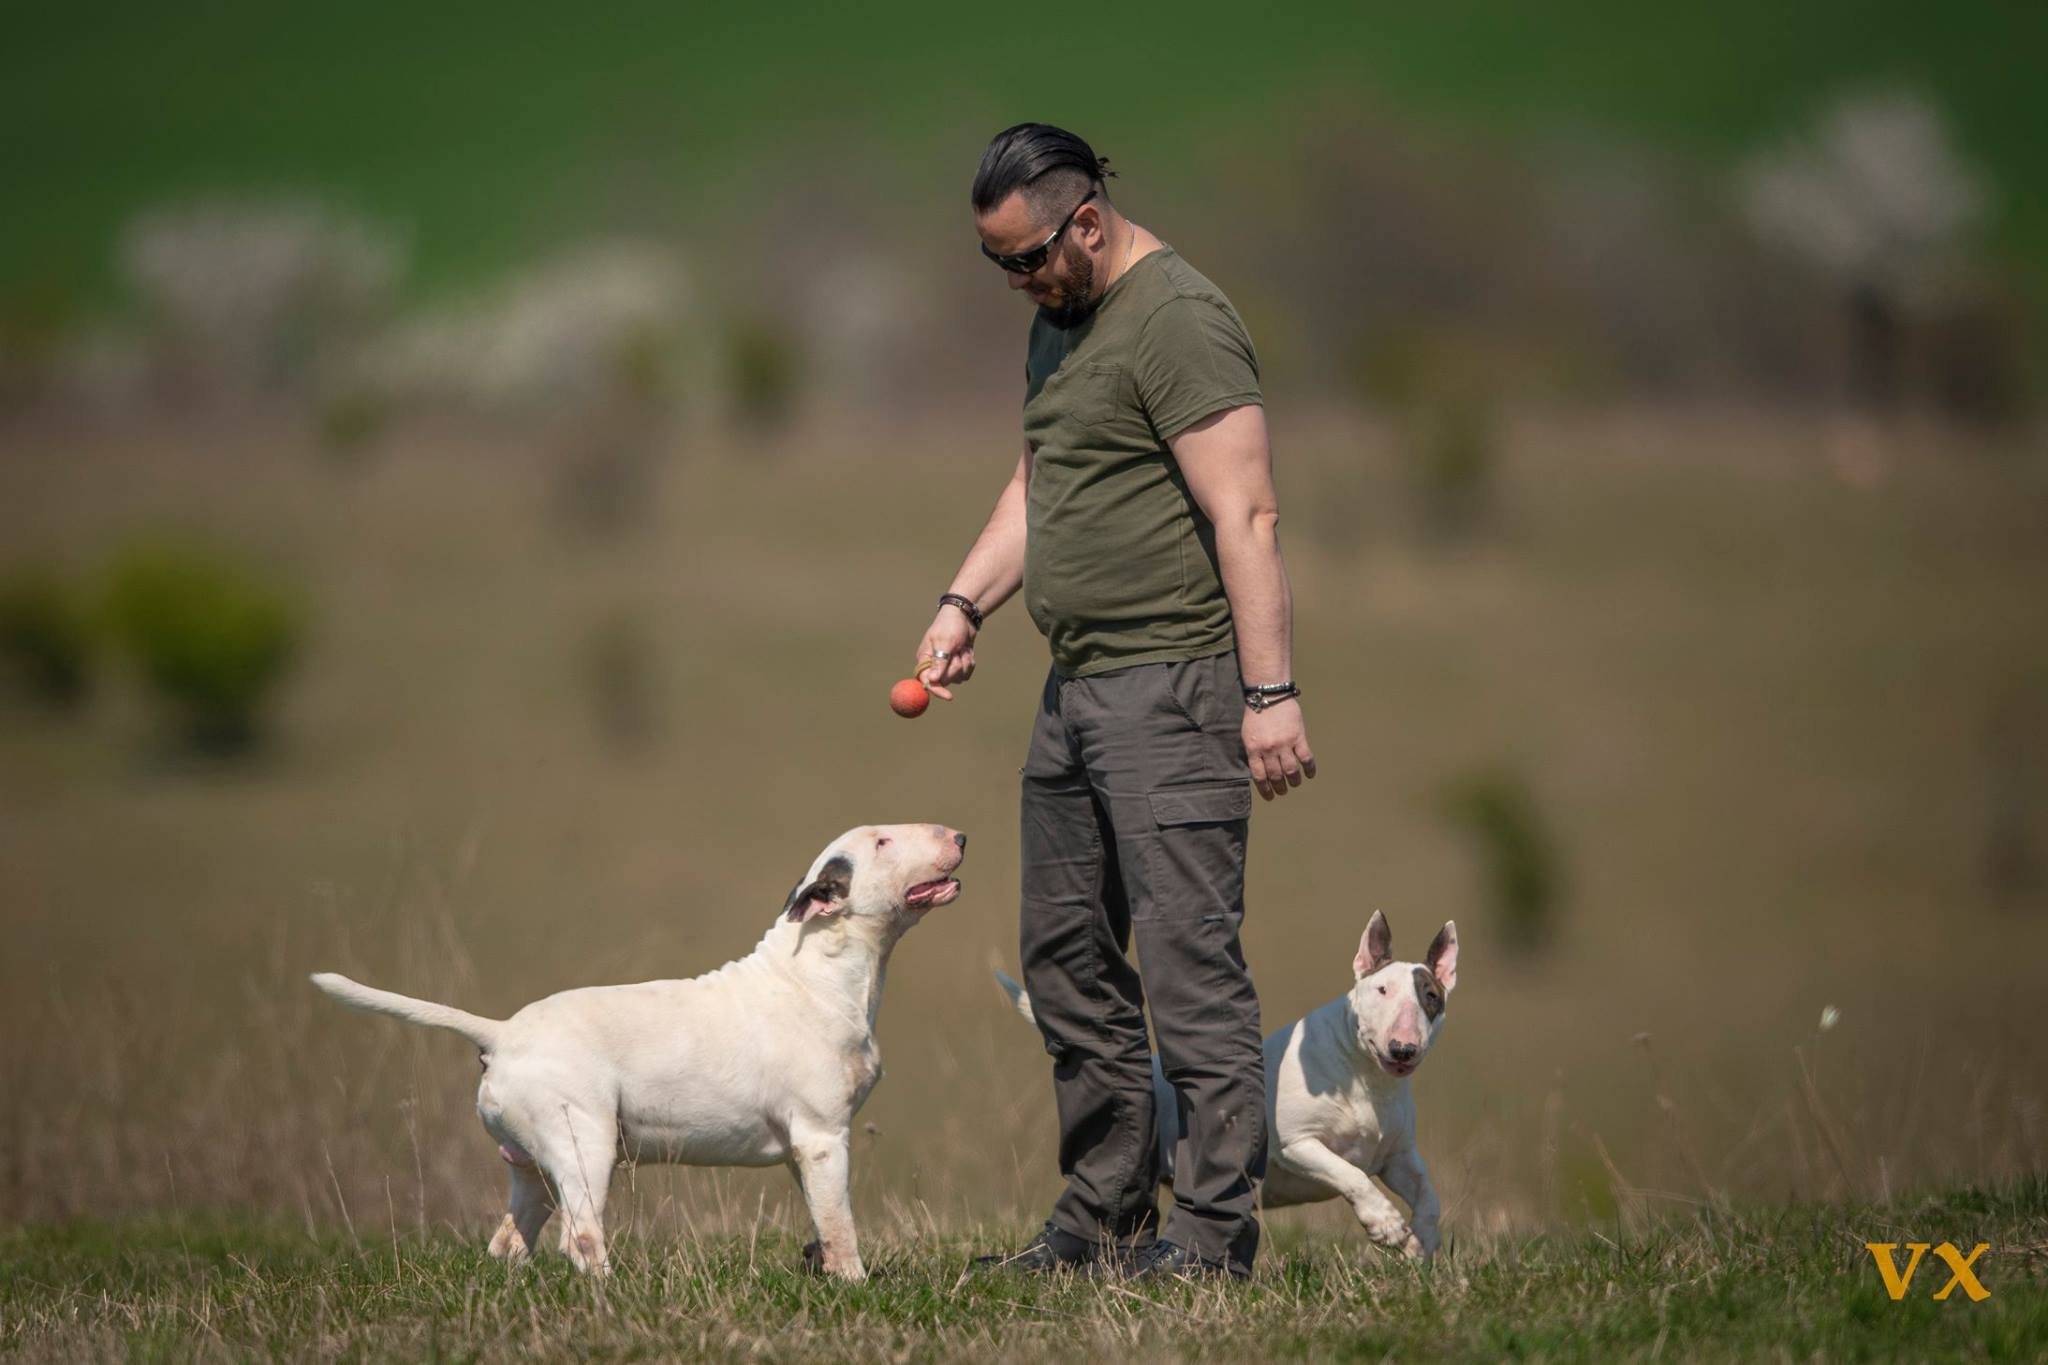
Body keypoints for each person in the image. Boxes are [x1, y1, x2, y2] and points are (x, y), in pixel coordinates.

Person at [915, 123, 1315, 1281]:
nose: (1014, 283)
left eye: (1025, 258)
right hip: (1075, 689)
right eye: (993, 263)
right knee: (1064, 959)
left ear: (1085, 222)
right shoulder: (1060, 320)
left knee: (1190, 971)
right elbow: (1038, 485)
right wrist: (963, 603)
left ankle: (1210, 1240)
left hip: (1176, 689)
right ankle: (1102, 1219)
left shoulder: (1177, 321)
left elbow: (1247, 515)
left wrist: (1269, 695)